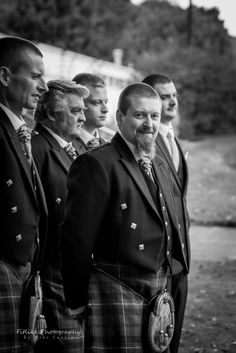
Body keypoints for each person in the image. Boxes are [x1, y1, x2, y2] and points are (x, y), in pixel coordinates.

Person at [59, 82, 188, 352]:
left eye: (154, 116)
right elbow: (76, 240)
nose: (149, 124)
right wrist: (77, 300)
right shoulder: (97, 163)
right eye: (139, 115)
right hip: (115, 286)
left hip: (159, 286)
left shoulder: (158, 163)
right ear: (120, 118)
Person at [31, 79, 89, 352]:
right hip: (52, 272)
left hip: (71, 270)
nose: (84, 116)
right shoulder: (35, 148)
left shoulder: (72, 146)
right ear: (53, 114)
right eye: (76, 110)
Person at [0, 36, 48, 352]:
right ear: (4, 76)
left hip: (24, 267)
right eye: (35, 76)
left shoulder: (19, 129)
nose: (43, 85)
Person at [143, 74, 190, 353]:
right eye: (164, 96)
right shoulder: (147, 142)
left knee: (173, 338)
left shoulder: (173, 138)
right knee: (155, 340)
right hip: (161, 260)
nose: (172, 101)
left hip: (181, 261)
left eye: (173, 94)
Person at [72, 73, 109, 153]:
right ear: (78, 103)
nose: (105, 109)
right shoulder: (66, 144)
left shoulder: (108, 146)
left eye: (106, 102)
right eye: (96, 102)